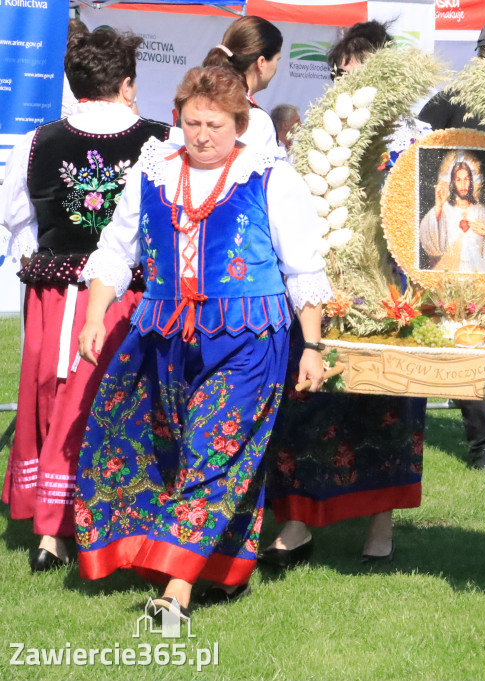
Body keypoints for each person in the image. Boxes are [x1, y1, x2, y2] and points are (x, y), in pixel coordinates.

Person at [73, 66, 331, 619]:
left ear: (239, 124)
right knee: (139, 442)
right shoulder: (154, 170)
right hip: (165, 337)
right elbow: (117, 250)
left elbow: (303, 268)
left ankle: (175, 593)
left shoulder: (269, 176)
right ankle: (224, 568)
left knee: (210, 451)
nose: (202, 134)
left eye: (214, 124)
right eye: (192, 122)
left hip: (248, 339)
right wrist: (95, 316)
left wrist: (311, 346)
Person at [0, 28, 170, 573]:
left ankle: (52, 533)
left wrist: (49, 254)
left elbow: (16, 223)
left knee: (55, 398)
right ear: (126, 83)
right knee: (114, 402)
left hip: (54, 296)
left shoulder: (38, 142)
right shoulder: (161, 140)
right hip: (126, 296)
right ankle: (104, 518)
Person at [261, 20, 429, 568]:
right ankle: (299, 520)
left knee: (389, 407)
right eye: (337, 74)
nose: (344, 84)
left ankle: (380, 524)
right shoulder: (316, 136)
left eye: (356, 74)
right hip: (325, 287)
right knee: (313, 399)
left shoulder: (414, 139)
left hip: (389, 289)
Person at [418, 20, 485, 470]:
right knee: (465, 336)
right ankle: (484, 446)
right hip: (461, 247)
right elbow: (415, 153)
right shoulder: (450, 100)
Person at [202, 16, 284, 155]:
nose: (276, 66)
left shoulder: (198, 102)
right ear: (261, 63)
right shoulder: (255, 119)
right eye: (277, 59)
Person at [419, 152, 485, 273]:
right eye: (459, 180)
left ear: (472, 182)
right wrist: (438, 207)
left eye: (467, 179)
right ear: (453, 183)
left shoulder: (480, 211)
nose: (463, 185)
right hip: (450, 271)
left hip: (476, 270)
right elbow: (428, 236)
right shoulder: (445, 209)